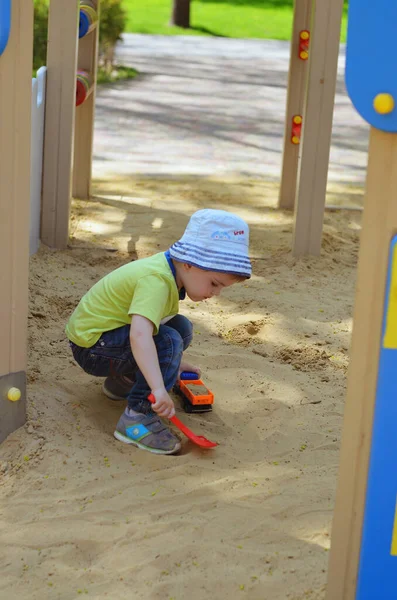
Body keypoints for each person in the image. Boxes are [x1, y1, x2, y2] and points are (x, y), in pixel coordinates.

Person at [66, 209, 252, 455]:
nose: (215, 293)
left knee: (180, 329)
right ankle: (137, 417)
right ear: (188, 262)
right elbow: (140, 336)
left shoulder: (170, 272)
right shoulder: (157, 281)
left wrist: (175, 363)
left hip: (105, 339)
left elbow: (151, 328)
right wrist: (158, 389)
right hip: (92, 348)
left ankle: (122, 383)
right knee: (170, 340)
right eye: (214, 283)